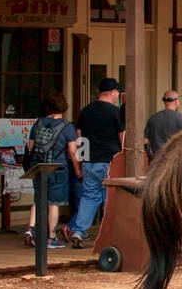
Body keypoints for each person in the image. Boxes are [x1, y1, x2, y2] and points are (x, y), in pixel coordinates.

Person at [67, 78, 125, 247]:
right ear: (112, 92)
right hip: (110, 161)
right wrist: (123, 157)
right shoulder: (115, 112)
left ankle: (78, 231)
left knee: (89, 196)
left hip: (89, 160)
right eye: (117, 92)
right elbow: (122, 138)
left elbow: (80, 138)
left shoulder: (86, 111)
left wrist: (79, 164)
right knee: (109, 197)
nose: (117, 95)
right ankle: (108, 234)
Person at [24, 93, 79, 249]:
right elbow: (73, 151)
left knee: (38, 199)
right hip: (58, 168)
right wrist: (77, 169)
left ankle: (30, 229)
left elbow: (30, 147)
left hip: (38, 168)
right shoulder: (67, 127)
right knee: (53, 204)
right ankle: (51, 237)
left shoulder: (38, 123)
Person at [143, 89, 182, 162]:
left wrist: (150, 155)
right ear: (176, 101)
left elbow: (145, 141)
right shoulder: (181, 118)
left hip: (156, 160)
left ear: (164, 102)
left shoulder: (153, 118)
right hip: (174, 161)